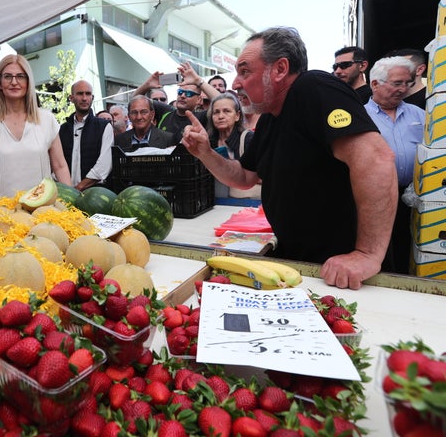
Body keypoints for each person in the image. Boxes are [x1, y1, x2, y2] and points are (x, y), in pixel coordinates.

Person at [182, 27, 398, 290]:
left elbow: (376, 159)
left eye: (245, 71)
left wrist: (366, 254)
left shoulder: (313, 87)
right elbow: (244, 177)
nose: (236, 83)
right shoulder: (270, 120)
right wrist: (204, 152)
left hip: (345, 272)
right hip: (304, 265)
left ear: (280, 69)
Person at [0, 54, 71, 200]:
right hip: (2, 213)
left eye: (20, 76)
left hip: (42, 211)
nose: (14, 82)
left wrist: (72, 204)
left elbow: (60, 166)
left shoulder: (46, 119)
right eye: (7, 76)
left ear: (28, 82)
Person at [365, 56, 425, 274]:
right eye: (397, 83)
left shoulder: (419, 115)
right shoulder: (361, 116)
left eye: (407, 83)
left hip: (413, 196)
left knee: (409, 247)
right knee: (379, 248)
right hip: (375, 197)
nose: (403, 89)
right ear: (375, 84)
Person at [133, 62, 220, 144]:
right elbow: (135, 102)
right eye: (180, 92)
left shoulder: (201, 117)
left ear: (199, 100)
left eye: (189, 93)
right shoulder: (165, 111)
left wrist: (198, 80)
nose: (182, 95)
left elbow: (222, 102)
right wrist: (147, 85)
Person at [59, 80, 113, 191]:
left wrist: (78, 188)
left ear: (92, 98)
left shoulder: (104, 127)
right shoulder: (62, 129)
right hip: (65, 192)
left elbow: (104, 165)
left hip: (94, 194)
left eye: (88, 94)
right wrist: (68, 190)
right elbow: (57, 163)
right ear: (71, 98)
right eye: (80, 93)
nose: (84, 98)